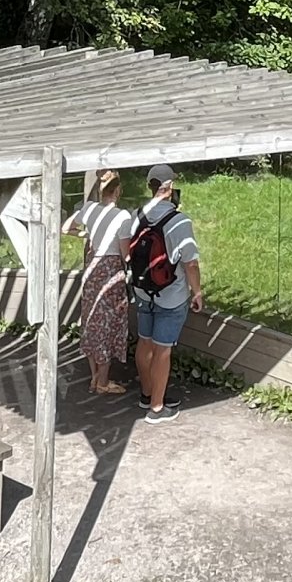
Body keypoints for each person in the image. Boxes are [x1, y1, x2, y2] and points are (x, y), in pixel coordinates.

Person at [125, 162, 202, 424]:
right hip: (171, 295)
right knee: (162, 350)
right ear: (169, 187)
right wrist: (197, 292)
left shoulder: (136, 216)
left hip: (142, 291)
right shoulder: (179, 221)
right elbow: (190, 263)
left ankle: (147, 394)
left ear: (150, 186)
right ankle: (157, 408)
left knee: (144, 342)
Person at [62, 168, 135, 396]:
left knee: (92, 320)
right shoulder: (123, 216)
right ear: (118, 191)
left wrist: (87, 235)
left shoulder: (89, 208)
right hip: (110, 269)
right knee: (108, 322)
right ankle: (103, 381)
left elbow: (66, 228)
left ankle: (95, 376)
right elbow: (125, 254)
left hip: (91, 269)